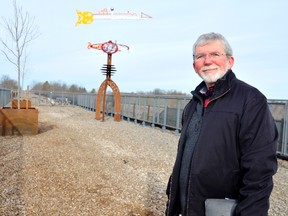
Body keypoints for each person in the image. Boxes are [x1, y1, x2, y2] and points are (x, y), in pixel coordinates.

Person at [165, 32, 278, 216]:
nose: (207, 61)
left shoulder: (251, 100)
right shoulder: (193, 104)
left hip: (222, 209)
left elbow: (260, 168)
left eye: (215, 54)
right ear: (195, 66)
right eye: (200, 56)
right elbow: (185, 156)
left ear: (230, 61)